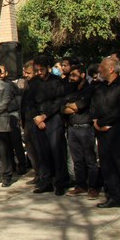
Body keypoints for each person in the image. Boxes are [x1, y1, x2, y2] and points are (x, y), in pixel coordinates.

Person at [90, 57, 120, 214]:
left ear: (111, 69)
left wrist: (102, 122)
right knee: (107, 166)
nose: (99, 70)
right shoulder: (100, 87)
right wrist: (96, 122)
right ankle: (114, 197)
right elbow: (94, 106)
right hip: (103, 133)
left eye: (102, 67)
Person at [31, 55, 70, 195]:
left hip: (53, 119)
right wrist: (36, 117)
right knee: (42, 152)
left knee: (57, 151)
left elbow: (59, 102)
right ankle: (45, 181)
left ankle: (60, 182)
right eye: (37, 70)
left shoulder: (57, 82)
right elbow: (30, 102)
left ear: (48, 68)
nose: (39, 72)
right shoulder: (33, 82)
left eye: (41, 70)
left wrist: (45, 116)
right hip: (38, 119)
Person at [62, 64, 99, 198]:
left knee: (90, 160)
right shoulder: (71, 89)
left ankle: (93, 186)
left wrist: (72, 106)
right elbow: (62, 108)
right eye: (70, 75)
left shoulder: (89, 89)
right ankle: (81, 185)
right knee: (77, 160)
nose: (71, 78)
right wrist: (71, 107)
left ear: (83, 75)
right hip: (72, 128)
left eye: (74, 75)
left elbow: (81, 105)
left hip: (85, 127)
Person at [0, 65, 27, 176]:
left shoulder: (11, 85)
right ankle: (11, 165)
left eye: (2, 72)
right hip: (1, 117)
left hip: (12, 114)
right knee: (6, 143)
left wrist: (20, 116)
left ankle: (22, 164)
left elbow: (19, 100)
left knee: (16, 141)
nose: (0, 75)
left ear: (6, 73)